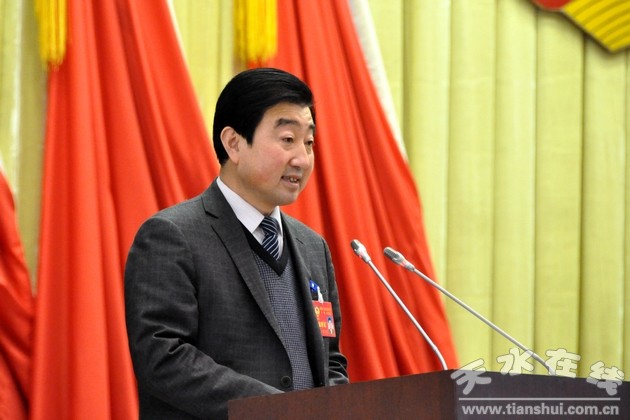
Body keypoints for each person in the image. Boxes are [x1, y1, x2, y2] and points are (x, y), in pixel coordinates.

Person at [124, 67, 349, 419]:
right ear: (233, 143)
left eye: (309, 143)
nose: (302, 159)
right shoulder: (172, 235)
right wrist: (274, 410)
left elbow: (330, 359)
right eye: (287, 139)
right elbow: (163, 357)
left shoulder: (312, 247)